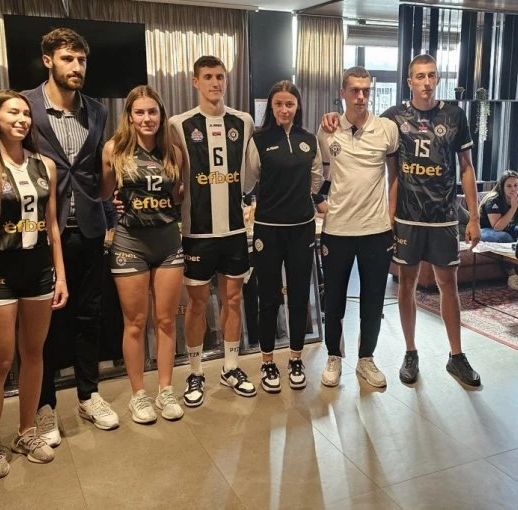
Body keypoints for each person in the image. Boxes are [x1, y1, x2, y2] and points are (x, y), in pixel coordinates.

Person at [0, 28, 118, 445]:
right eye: (67, 59)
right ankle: (43, 407)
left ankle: (89, 394)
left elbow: (94, 169)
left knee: (89, 317)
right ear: (48, 61)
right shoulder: (24, 106)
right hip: (39, 235)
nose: (76, 67)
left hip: (89, 228)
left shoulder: (98, 111)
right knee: (42, 333)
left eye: (81, 60)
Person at [324, 54, 482, 387]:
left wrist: (474, 216)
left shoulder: (455, 115)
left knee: (448, 285)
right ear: (409, 82)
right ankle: (410, 353)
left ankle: (456, 355)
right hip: (407, 218)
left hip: (443, 217)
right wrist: (332, 116)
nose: (426, 82)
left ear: (438, 79)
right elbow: (385, 164)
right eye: (419, 76)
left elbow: (467, 167)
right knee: (406, 284)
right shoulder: (394, 118)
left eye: (431, 75)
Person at [0, 89, 68, 478]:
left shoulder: (45, 166)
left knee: (34, 354)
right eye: (13, 112)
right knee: (0, 362)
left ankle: (26, 432)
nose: (22, 119)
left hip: (37, 269)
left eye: (26, 113)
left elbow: (52, 226)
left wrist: (60, 275)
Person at [169, 56, 256, 406]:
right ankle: (195, 371)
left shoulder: (243, 120)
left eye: (220, 76)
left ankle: (230, 367)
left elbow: (250, 174)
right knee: (197, 304)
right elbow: (171, 175)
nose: (215, 83)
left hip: (234, 230)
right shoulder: (179, 124)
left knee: (234, 300)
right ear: (195, 82)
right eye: (207, 77)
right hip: (197, 232)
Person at [101, 85, 185, 423]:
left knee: (166, 321)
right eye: (140, 112)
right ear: (130, 116)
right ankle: (138, 394)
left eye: (152, 111)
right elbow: (103, 193)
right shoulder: (114, 149)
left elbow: (178, 196)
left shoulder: (174, 152)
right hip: (130, 243)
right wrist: (116, 202)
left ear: (161, 115)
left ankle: (165, 389)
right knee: (134, 324)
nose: (147, 118)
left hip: (168, 242)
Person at [316, 68, 399, 388]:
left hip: (376, 230)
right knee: (334, 299)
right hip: (337, 229)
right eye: (355, 90)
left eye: (366, 90)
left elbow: (394, 177)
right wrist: (321, 204)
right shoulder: (328, 129)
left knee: (373, 299)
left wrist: (390, 218)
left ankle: (366, 359)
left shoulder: (387, 129)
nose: (361, 97)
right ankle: (334, 356)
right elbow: (321, 177)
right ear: (343, 93)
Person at [243, 80, 323, 392]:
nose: (285, 109)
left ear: (297, 106)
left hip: (302, 228)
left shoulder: (309, 140)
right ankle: (267, 362)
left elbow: (316, 179)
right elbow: (249, 181)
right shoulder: (259, 140)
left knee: (300, 296)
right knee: (269, 297)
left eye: (290, 104)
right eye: (279, 104)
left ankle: (295, 358)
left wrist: (299, 199)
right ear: (271, 107)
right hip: (268, 230)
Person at [478, 170, 518, 290]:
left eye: (516, 185)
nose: (513, 189)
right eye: (509, 186)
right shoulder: (493, 200)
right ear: (502, 187)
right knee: (505, 237)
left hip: (509, 228)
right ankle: (512, 276)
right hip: (486, 230)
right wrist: (513, 208)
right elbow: (497, 227)